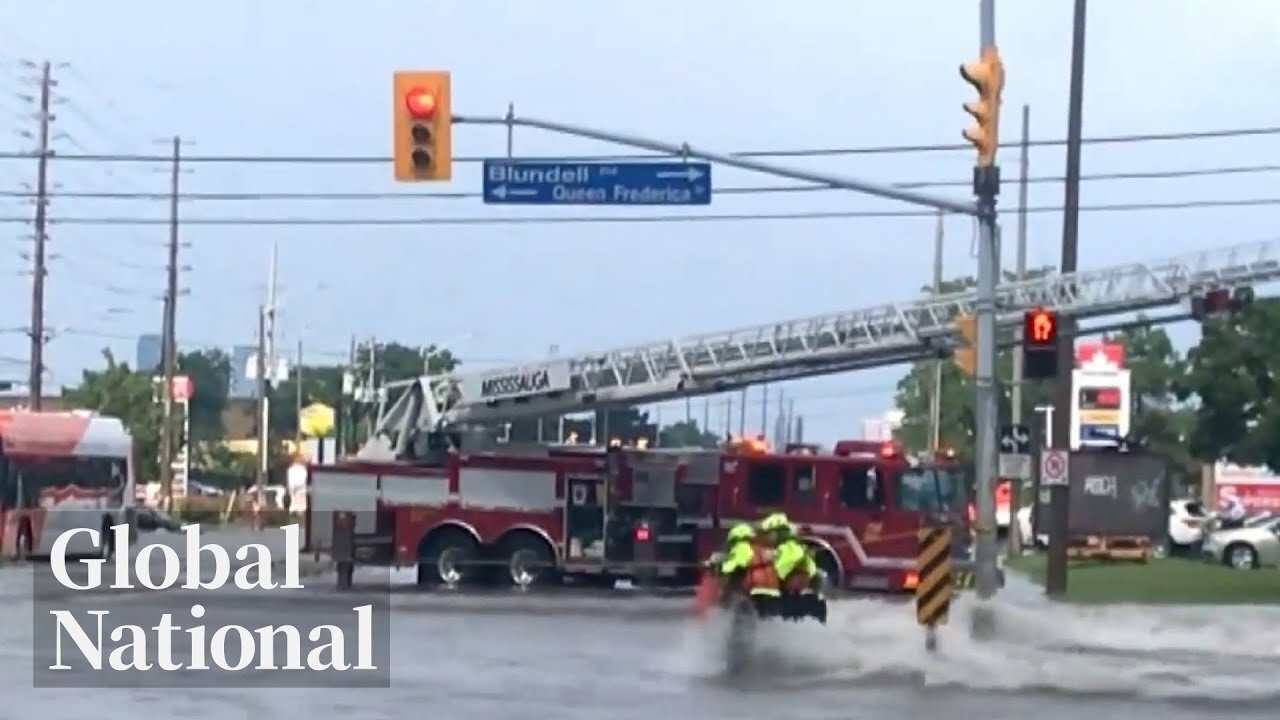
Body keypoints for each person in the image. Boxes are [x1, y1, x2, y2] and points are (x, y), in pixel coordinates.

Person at [762, 513, 827, 624]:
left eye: (769, 533)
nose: (767, 537)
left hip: (792, 596)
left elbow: (781, 568)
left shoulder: (787, 548)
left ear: (777, 532)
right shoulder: (793, 545)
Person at [715, 521, 782, 618]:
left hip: (754, 589)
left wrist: (722, 568)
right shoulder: (762, 549)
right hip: (773, 591)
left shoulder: (742, 547)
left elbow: (737, 563)